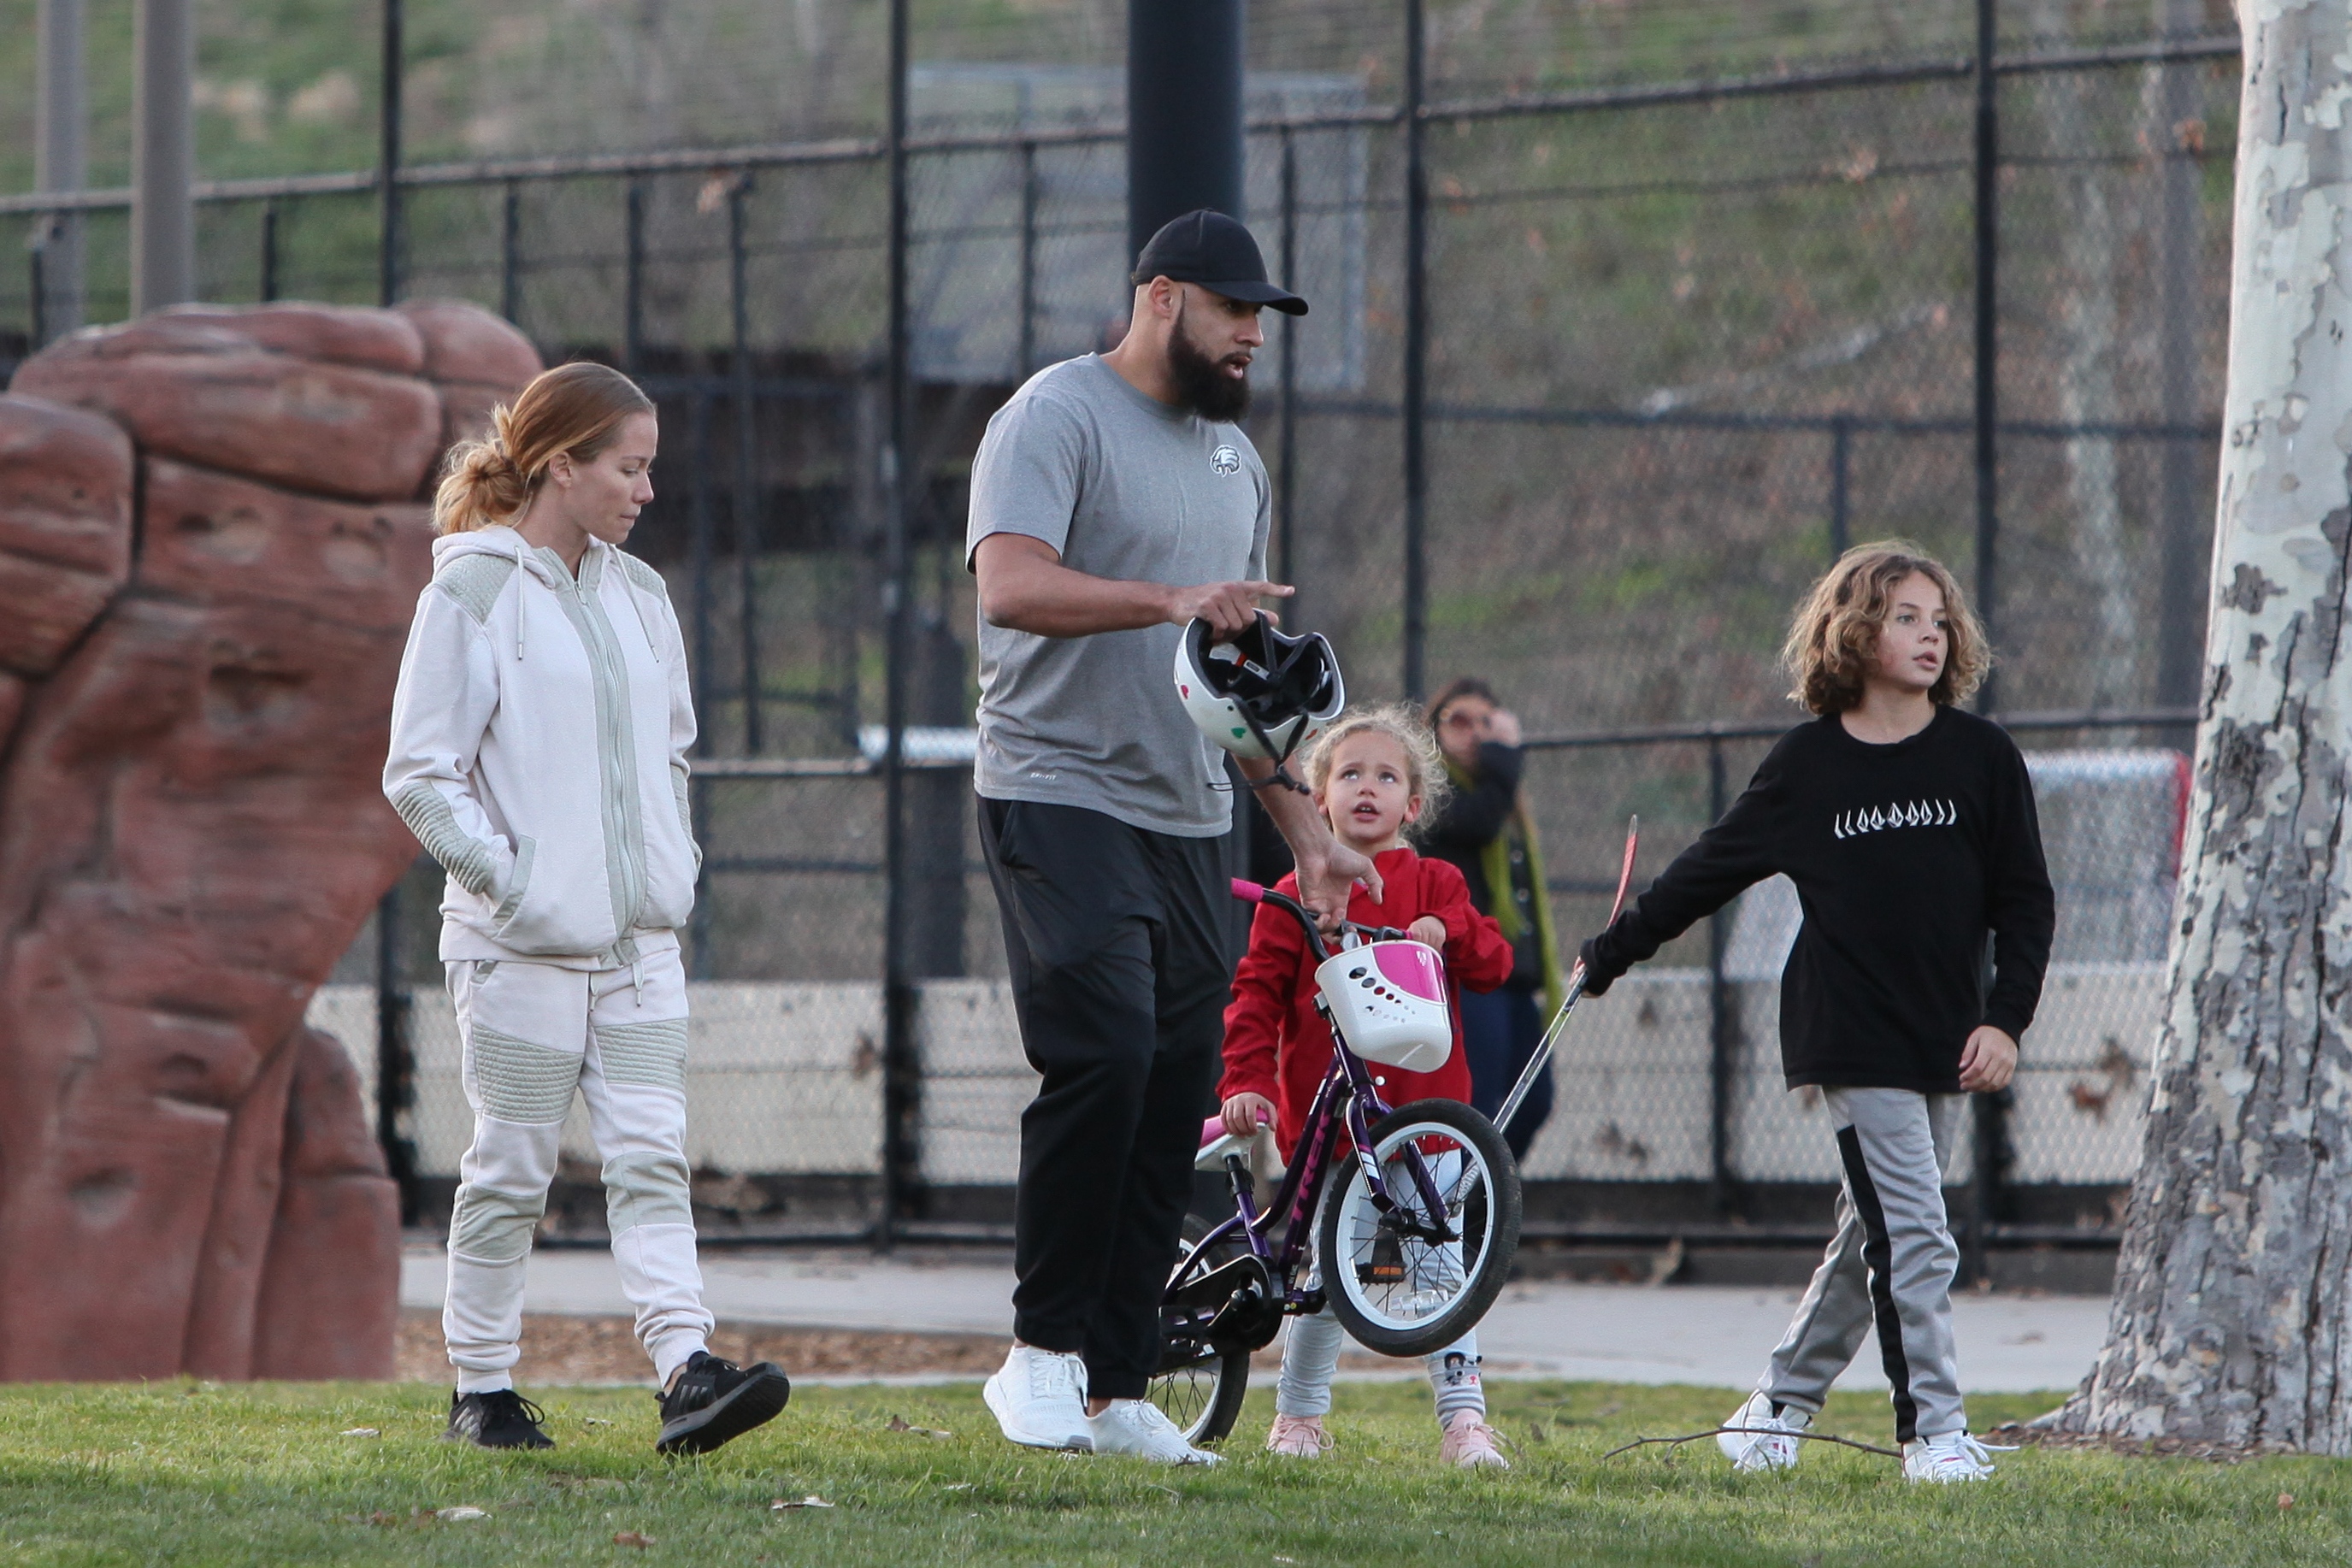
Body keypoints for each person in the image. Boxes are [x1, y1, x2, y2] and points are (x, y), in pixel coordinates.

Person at [968, 209, 1378, 1464]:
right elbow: (1008, 583)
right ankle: (1036, 1357)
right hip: (1055, 787)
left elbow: (1229, 689)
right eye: (1233, 310)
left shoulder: (1231, 467)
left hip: (1192, 812)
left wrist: (1303, 829)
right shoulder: (1053, 415)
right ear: (1160, 299)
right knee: (1099, 1051)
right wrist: (1165, 598)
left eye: (1262, 317)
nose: (1252, 335)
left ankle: (1114, 1380)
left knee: (1164, 1084)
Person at [1577, 541, 2054, 1483]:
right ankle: (1934, 1435)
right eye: (1906, 616)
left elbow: (2026, 900)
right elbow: (1703, 872)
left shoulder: (1981, 756)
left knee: (1871, 1233)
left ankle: (1774, 1408)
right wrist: (1613, 951)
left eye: (1939, 617)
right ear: (1854, 630)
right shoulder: (1808, 766)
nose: (1931, 633)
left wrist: (2006, 1019)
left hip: (1950, 1035)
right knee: (1918, 1232)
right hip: (1850, 1030)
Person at [384, 361, 790, 1456]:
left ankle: (687, 1372)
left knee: (653, 1155)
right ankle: (482, 1388)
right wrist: (509, 881)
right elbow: (419, 773)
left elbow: (671, 755)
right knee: (511, 1163)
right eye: (629, 466)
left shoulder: (641, 594)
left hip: (642, 944)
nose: (646, 490)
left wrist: (675, 865)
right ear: (562, 465)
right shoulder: (467, 592)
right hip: (517, 950)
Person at [1217, 705, 1517, 1469]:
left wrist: (1448, 934)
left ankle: (1464, 1423)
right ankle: (1297, 1419)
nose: (1365, 788)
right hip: (1333, 1132)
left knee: (1441, 1266)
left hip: (1428, 1122)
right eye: (1348, 773)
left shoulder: (1435, 882)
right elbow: (1254, 996)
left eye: (1386, 776)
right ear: (1316, 798)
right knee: (1325, 1273)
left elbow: (1495, 965)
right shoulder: (1294, 892)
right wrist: (1245, 1081)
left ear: (1411, 806)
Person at [1419, 678, 1564, 1160]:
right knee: (1478, 1103)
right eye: (1459, 721)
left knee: (1534, 1100)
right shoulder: (1428, 793)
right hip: (1465, 974)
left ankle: (1485, 1200)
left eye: (1487, 723)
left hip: (1513, 974)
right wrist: (1506, 755)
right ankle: (1466, 1216)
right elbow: (1475, 822)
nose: (1475, 733)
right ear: (1434, 732)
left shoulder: (1504, 804)